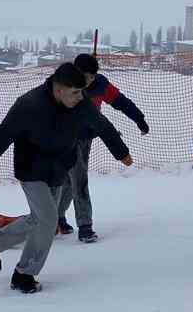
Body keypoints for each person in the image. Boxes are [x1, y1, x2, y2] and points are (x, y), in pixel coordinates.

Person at [0, 63, 132, 293]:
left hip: (59, 168)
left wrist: (121, 152)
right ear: (59, 90)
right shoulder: (29, 106)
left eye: (81, 92)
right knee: (48, 219)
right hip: (32, 169)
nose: (81, 97)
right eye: (75, 92)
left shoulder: (79, 101)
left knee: (39, 219)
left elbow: (102, 125)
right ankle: (24, 274)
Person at [56, 52, 150, 242]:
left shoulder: (100, 85)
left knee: (70, 179)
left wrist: (139, 118)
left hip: (86, 138)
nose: (89, 81)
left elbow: (121, 102)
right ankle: (85, 226)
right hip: (65, 138)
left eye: (92, 76)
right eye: (85, 76)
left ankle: (57, 218)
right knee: (78, 178)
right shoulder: (66, 85)